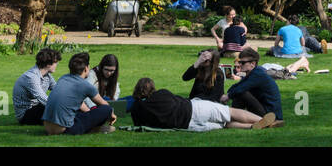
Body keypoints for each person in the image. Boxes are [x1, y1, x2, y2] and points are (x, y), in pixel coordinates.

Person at [128, 77, 276, 131]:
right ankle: (264, 121)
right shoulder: (162, 93)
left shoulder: (137, 109)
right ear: (152, 87)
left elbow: (141, 125)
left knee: (224, 125)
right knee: (229, 112)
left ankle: (251, 127)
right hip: (194, 109)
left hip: (187, 126)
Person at [42, 51, 115, 135]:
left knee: (79, 113)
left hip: (47, 127)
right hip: (66, 130)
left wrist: (89, 114)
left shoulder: (63, 78)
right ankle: (93, 128)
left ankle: (91, 127)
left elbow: (77, 103)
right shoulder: (85, 85)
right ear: (86, 68)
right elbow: (104, 105)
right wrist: (112, 113)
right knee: (106, 109)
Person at [226, 48, 285, 122]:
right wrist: (229, 94)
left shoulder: (258, 74)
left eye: (243, 63)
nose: (240, 64)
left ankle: (233, 117)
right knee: (239, 91)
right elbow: (238, 85)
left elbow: (240, 89)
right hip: (267, 111)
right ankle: (233, 117)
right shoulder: (254, 72)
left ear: (252, 64)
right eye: (240, 62)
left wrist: (228, 96)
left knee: (241, 93)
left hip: (271, 115)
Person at [12, 48, 61, 125]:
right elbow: (43, 99)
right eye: (56, 62)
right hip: (26, 114)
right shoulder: (31, 77)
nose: (57, 64)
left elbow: (58, 90)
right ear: (48, 64)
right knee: (57, 110)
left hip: (38, 108)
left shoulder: (47, 76)